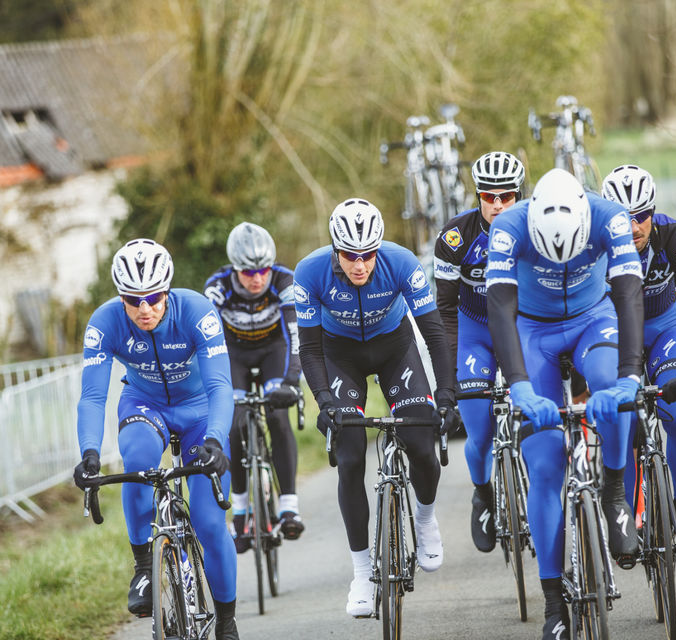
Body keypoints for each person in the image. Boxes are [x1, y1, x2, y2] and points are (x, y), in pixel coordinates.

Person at [485, 169, 645, 640]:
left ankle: (614, 489)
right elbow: (499, 308)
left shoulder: (610, 218)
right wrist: (519, 387)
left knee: (609, 389)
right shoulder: (507, 226)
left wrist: (630, 378)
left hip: (593, 318)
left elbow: (629, 295)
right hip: (532, 330)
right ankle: (554, 602)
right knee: (546, 463)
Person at [293, 198, 461, 617]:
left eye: (368, 254)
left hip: (394, 347)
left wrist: (446, 392)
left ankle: (424, 519)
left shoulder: (401, 263)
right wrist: (325, 401)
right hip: (339, 354)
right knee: (349, 458)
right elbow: (310, 350)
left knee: (422, 442)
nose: (360, 265)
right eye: (350, 255)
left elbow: (434, 332)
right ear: (335, 248)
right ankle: (362, 572)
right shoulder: (309, 272)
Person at [72, 238, 240, 640]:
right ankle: (145, 566)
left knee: (209, 523)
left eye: (153, 297)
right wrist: (90, 454)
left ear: (166, 290)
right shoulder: (105, 322)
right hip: (144, 404)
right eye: (133, 299)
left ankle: (227, 621)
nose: (144, 308)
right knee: (139, 458)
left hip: (200, 410)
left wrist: (216, 439)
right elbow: (93, 396)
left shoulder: (197, 311)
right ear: (121, 297)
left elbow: (220, 385)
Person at [601, 164, 676, 560]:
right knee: (623, 424)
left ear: (653, 211)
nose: (634, 226)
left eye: (642, 215)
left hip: (665, 328)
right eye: (623, 218)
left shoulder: (675, 237)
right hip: (617, 330)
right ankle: (624, 516)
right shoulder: (595, 246)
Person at [434, 151, 525, 553]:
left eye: (507, 196)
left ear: (520, 196)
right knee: (479, 428)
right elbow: (445, 312)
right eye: (489, 196)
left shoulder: (536, 230)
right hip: (473, 330)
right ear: (478, 196)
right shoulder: (455, 237)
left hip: (523, 326)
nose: (499, 205)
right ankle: (483, 494)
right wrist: (448, 378)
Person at [204, 222, 305, 550]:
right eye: (248, 272)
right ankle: (242, 507)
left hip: (274, 350)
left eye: (262, 269)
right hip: (234, 354)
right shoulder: (217, 288)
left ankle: (288, 506)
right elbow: (209, 345)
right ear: (235, 268)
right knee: (232, 421)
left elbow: (296, 337)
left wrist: (291, 383)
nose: (257, 278)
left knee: (276, 416)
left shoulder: (285, 281)